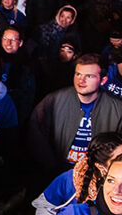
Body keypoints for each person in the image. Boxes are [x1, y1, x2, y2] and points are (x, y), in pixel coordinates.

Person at [28, 53, 122, 191]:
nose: (81, 80)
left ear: (103, 80)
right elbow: (35, 131)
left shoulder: (117, 108)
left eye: (89, 76)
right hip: (57, 174)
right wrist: (50, 164)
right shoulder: (54, 99)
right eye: (78, 74)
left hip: (97, 178)